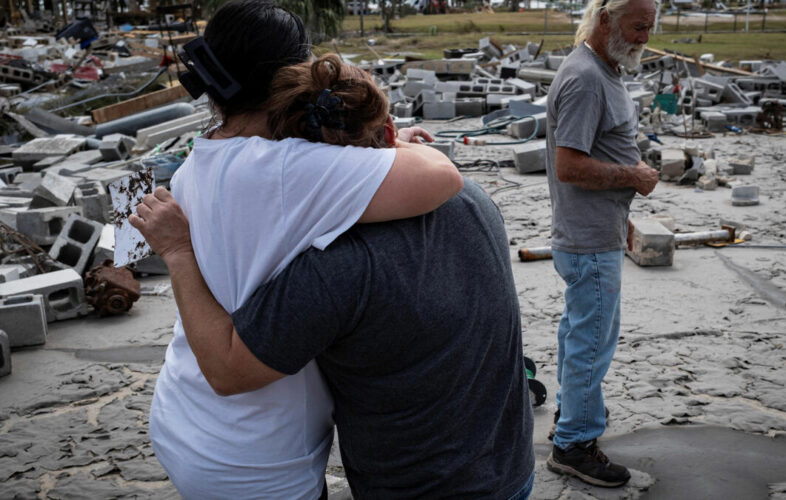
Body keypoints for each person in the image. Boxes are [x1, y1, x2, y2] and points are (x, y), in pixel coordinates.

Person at [146, 2, 462, 498]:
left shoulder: (197, 163)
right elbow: (442, 177)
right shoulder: (286, 170)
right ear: (290, 77)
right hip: (256, 457)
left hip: (185, 415)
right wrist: (397, 147)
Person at [132, 177, 535, 499]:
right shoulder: (470, 197)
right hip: (511, 466)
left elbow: (226, 371)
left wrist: (178, 251)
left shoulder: (339, 264)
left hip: (421, 487)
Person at [544, 0, 659, 488]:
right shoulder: (587, 78)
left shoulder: (604, 71)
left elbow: (595, 153)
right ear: (605, 19)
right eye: (636, 27)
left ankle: (570, 421)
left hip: (596, 232)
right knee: (591, 344)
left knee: (579, 336)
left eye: (649, 29)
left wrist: (622, 215)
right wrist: (632, 175)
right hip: (587, 241)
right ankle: (573, 445)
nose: (642, 38)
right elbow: (568, 166)